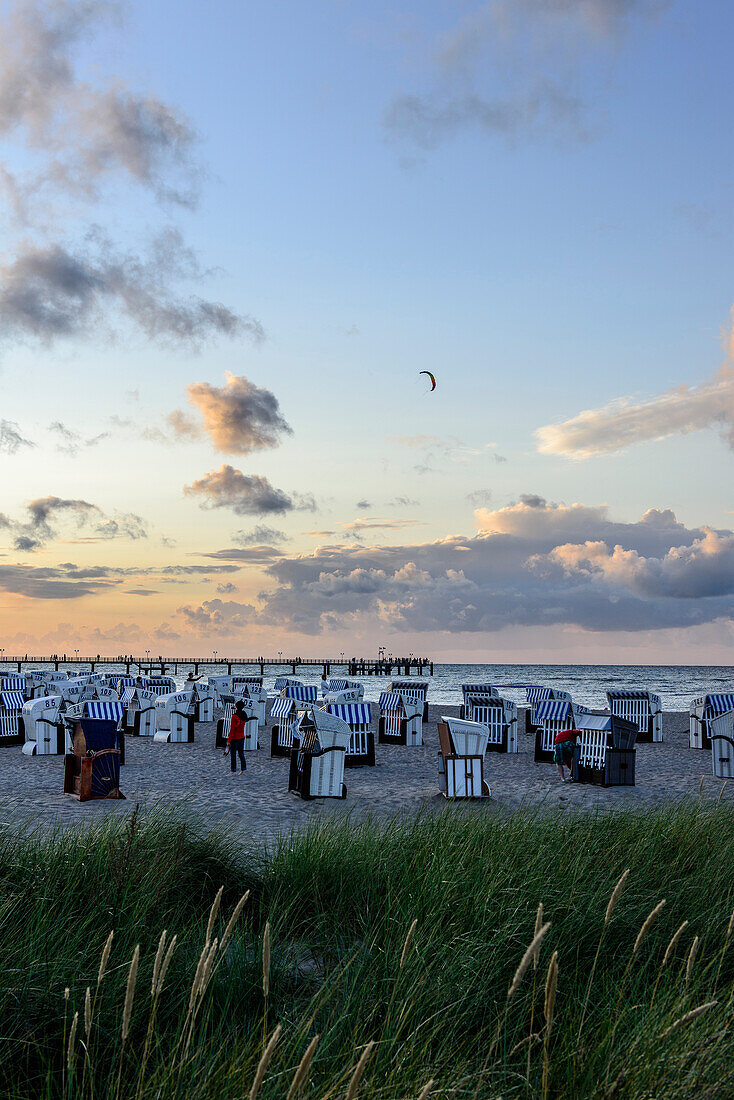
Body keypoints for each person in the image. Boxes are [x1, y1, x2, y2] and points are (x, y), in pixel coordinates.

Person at [224, 700, 247, 775]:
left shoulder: (234, 716)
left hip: (235, 738)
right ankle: (243, 769)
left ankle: (233, 770)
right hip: (242, 736)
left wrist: (228, 740)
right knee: (241, 754)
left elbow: (232, 729)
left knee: (233, 755)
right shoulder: (244, 715)